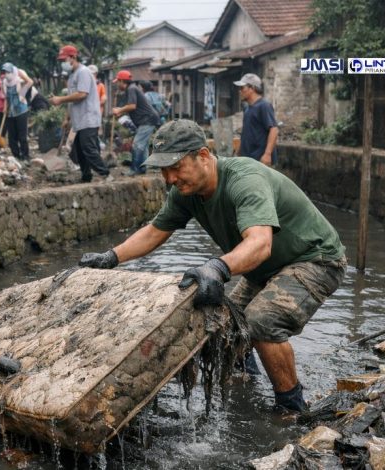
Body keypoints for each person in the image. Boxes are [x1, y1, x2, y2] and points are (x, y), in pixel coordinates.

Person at [79, 119, 346, 414]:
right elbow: (155, 231)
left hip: (314, 259)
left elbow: (260, 243)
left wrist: (217, 267)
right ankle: (247, 379)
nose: (169, 178)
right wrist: (111, 257)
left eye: (175, 167)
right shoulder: (186, 192)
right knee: (222, 322)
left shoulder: (245, 179)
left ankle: (292, 408)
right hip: (264, 269)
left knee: (261, 322)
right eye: (163, 170)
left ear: (203, 156)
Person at [49, 45, 109, 183]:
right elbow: (71, 101)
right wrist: (67, 118)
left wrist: (60, 99)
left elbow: (82, 94)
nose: (62, 63)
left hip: (88, 117)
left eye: (64, 59)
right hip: (79, 119)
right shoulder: (72, 77)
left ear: (73, 57)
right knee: (78, 150)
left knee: (88, 148)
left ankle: (105, 174)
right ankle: (86, 176)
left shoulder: (83, 72)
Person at [112, 70, 160, 176]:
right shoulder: (132, 88)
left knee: (137, 145)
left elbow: (132, 106)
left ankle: (134, 169)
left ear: (121, 81)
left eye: (118, 82)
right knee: (143, 146)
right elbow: (134, 108)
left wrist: (119, 110)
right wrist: (121, 112)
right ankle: (142, 169)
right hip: (148, 119)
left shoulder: (131, 89)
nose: (117, 85)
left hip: (147, 119)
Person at [235, 73, 278, 166]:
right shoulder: (247, 108)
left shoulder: (264, 106)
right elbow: (246, 132)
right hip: (249, 159)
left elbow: (273, 130)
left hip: (260, 159)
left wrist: (267, 154)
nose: (240, 91)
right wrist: (239, 151)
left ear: (252, 88)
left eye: (242, 88)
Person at [1, 62, 33, 160]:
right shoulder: (4, 83)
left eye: (8, 72)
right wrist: (5, 107)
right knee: (11, 138)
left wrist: (22, 94)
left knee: (22, 136)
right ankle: (16, 156)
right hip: (11, 113)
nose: (6, 74)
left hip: (21, 111)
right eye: (4, 72)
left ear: (12, 71)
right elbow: (7, 97)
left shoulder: (19, 80)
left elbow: (30, 82)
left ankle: (25, 156)